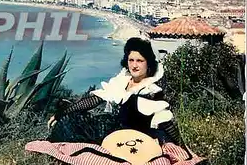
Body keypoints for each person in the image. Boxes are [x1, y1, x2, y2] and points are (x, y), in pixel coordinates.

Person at [47, 37, 190, 156]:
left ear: (149, 64)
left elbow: (165, 122)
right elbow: (97, 99)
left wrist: (183, 147)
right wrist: (61, 113)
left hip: (132, 138)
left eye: (140, 61)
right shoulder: (123, 80)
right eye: (131, 60)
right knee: (70, 121)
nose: (134, 65)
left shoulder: (151, 91)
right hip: (114, 129)